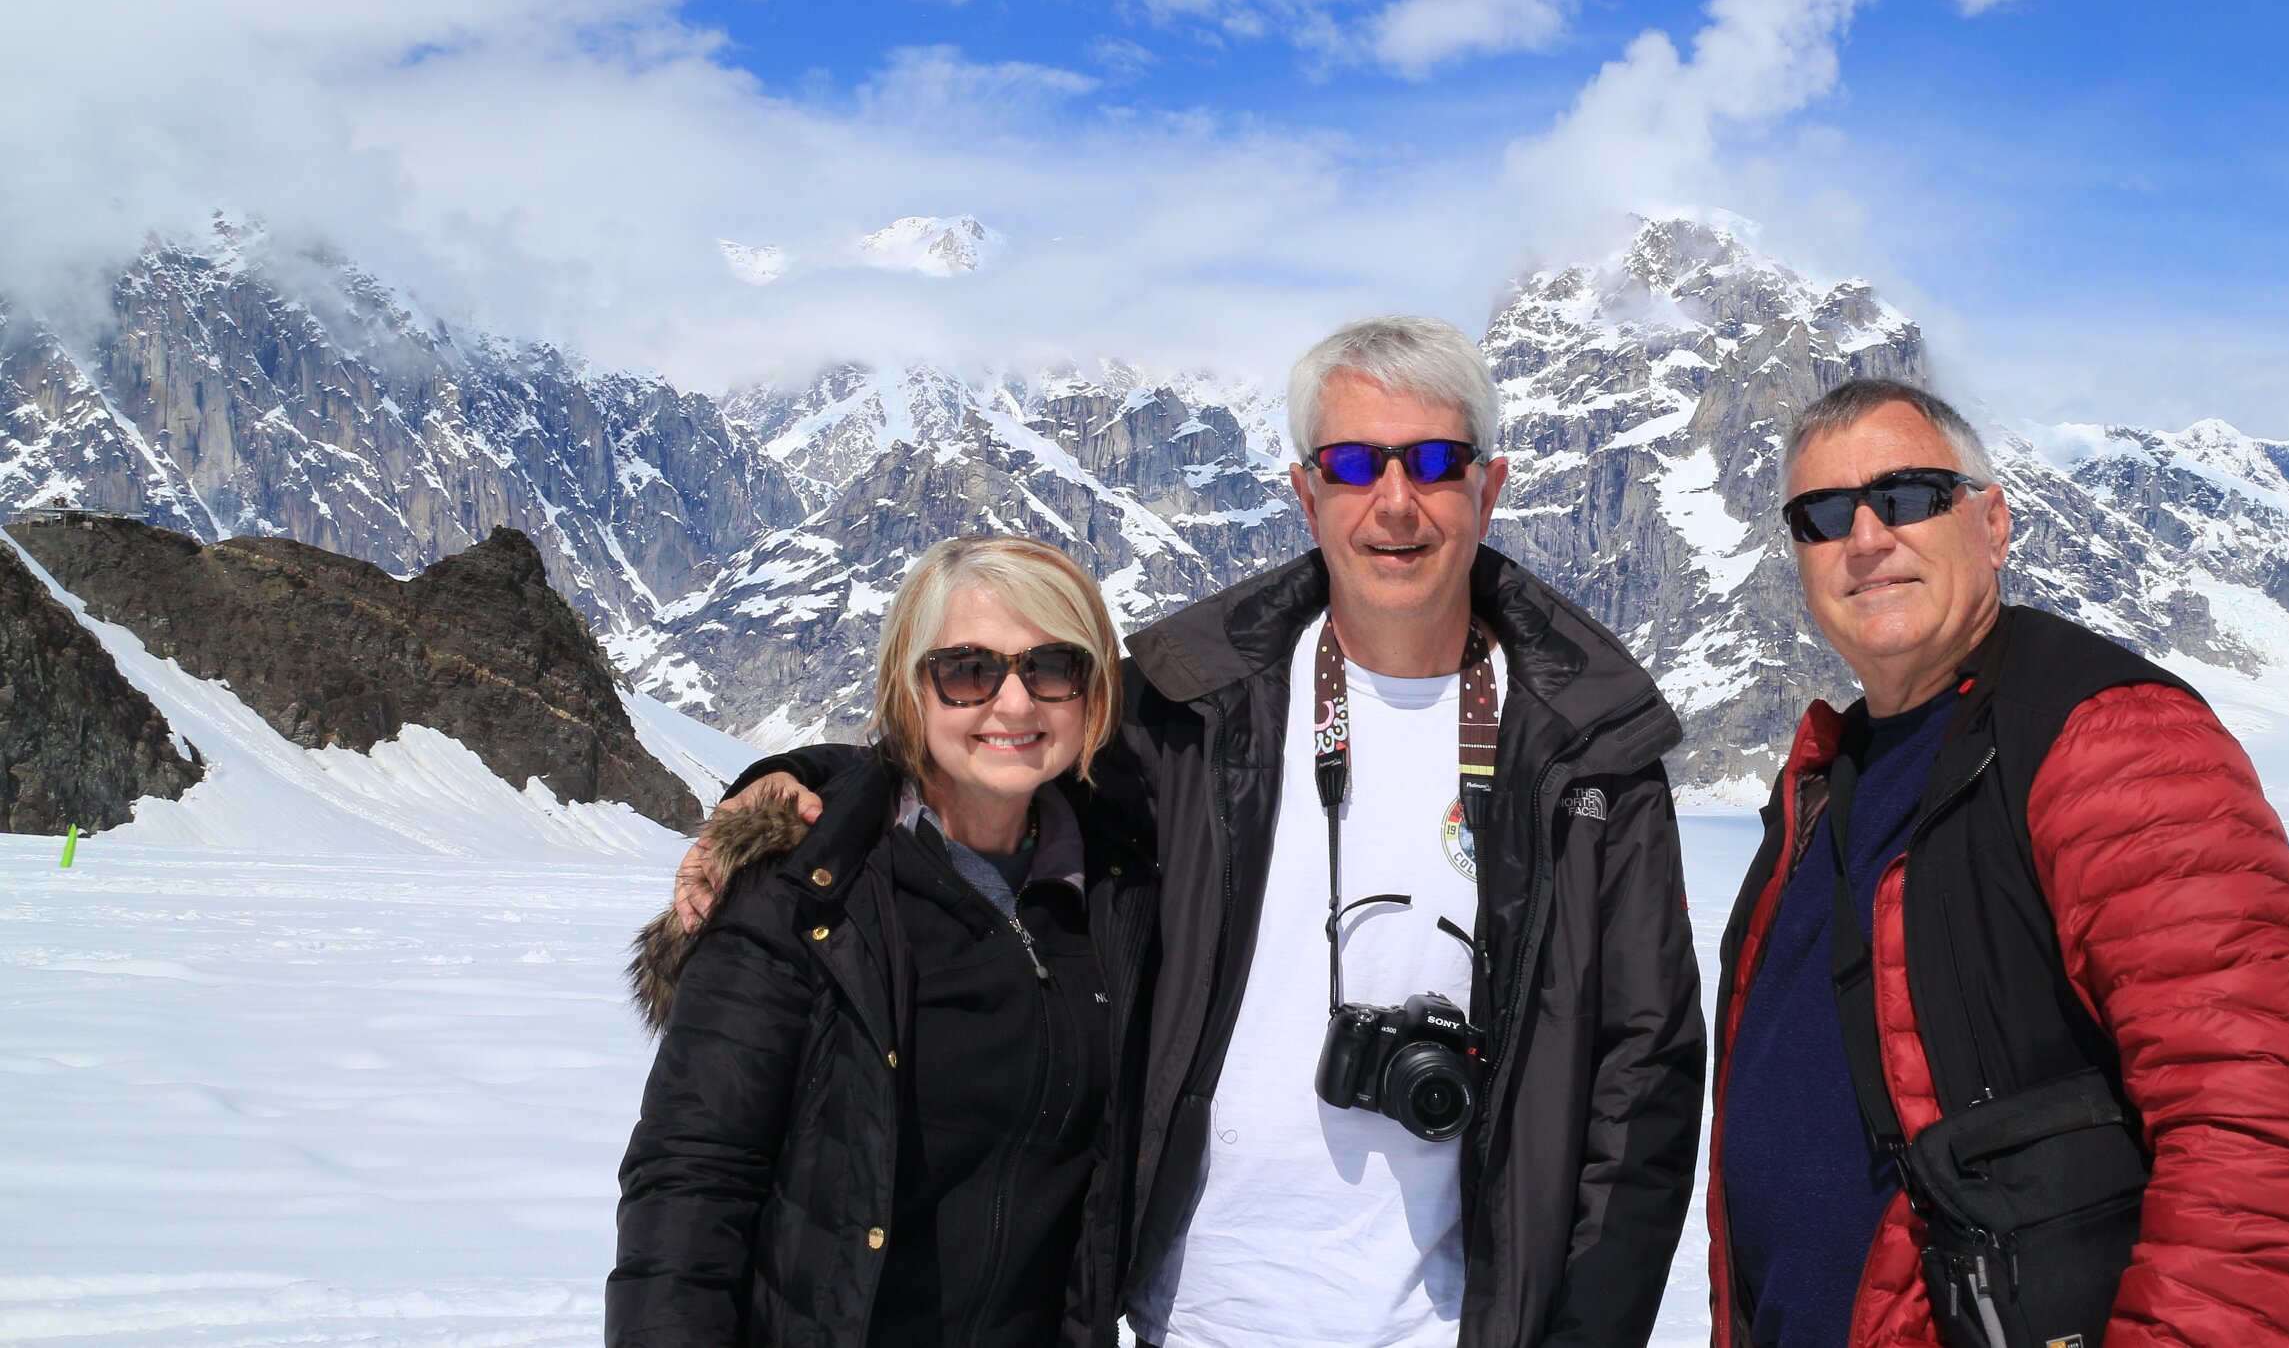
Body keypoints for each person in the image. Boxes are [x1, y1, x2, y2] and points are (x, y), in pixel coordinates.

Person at [685, 314, 1707, 1348]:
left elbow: (1645, 1081)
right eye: (1354, 465)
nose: (1395, 501)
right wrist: (800, 780)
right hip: (1199, 1319)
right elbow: (996, 752)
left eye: (1436, 462)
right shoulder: (1188, 714)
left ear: (1488, 489)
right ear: (1306, 493)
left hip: (1460, 1326)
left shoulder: (1592, 755)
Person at [1707, 377, 2289, 1348]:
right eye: (1821, 514)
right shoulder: (1824, 786)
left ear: (1992, 524)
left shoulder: (2111, 743)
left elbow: (2273, 1150)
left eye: (1907, 495)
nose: (1864, 537)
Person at [608, 535, 1156, 1348]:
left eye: (1052, 667)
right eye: (968, 670)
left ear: (1093, 692)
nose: (1014, 704)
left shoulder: (1122, 894)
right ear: (910, 687)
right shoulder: (804, 892)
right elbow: (692, 1180)